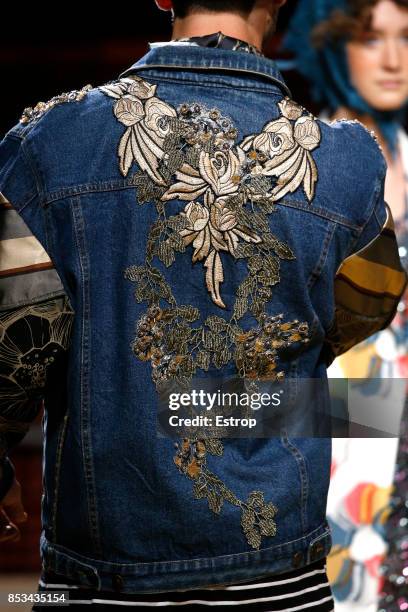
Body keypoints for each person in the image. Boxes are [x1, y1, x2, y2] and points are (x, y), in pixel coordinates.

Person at [0, 0, 406, 610]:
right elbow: (366, 303)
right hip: (276, 562)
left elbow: (17, 336)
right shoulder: (347, 160)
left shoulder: (50, 141)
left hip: (103, 569)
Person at [283, 1, 408, 610]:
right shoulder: (300, 164)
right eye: (369, 38)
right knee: (347, 580)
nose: (392, 58)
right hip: (337, 413)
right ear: (331, 44)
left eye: (406, 37)